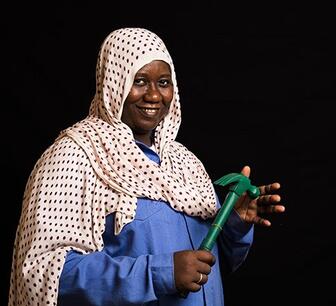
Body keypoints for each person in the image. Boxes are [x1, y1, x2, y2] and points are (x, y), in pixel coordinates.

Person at [8, 27, 285, 306]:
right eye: (139, 81)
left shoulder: (184, 163)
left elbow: (211, 266)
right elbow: (44, 275)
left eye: (163, 83)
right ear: (114, 83)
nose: (154, 96)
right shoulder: (77, 156)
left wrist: (234, 223)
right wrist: (161, 272)